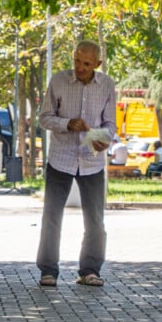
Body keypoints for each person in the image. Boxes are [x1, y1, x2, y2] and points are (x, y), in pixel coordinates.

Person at [37, 40, 116, 288]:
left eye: (86, 63)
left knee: (95, 220)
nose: (80, 67)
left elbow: (110, 125)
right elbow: (45, 118)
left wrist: (104, 139)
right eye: (77, 60)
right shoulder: (59, 80)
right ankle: (48, 271)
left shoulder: (107, 86)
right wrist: (67, 123)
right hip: (61, 158)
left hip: (92, 161)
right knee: (52, 216)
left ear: (97, 64)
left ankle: (90, 270)